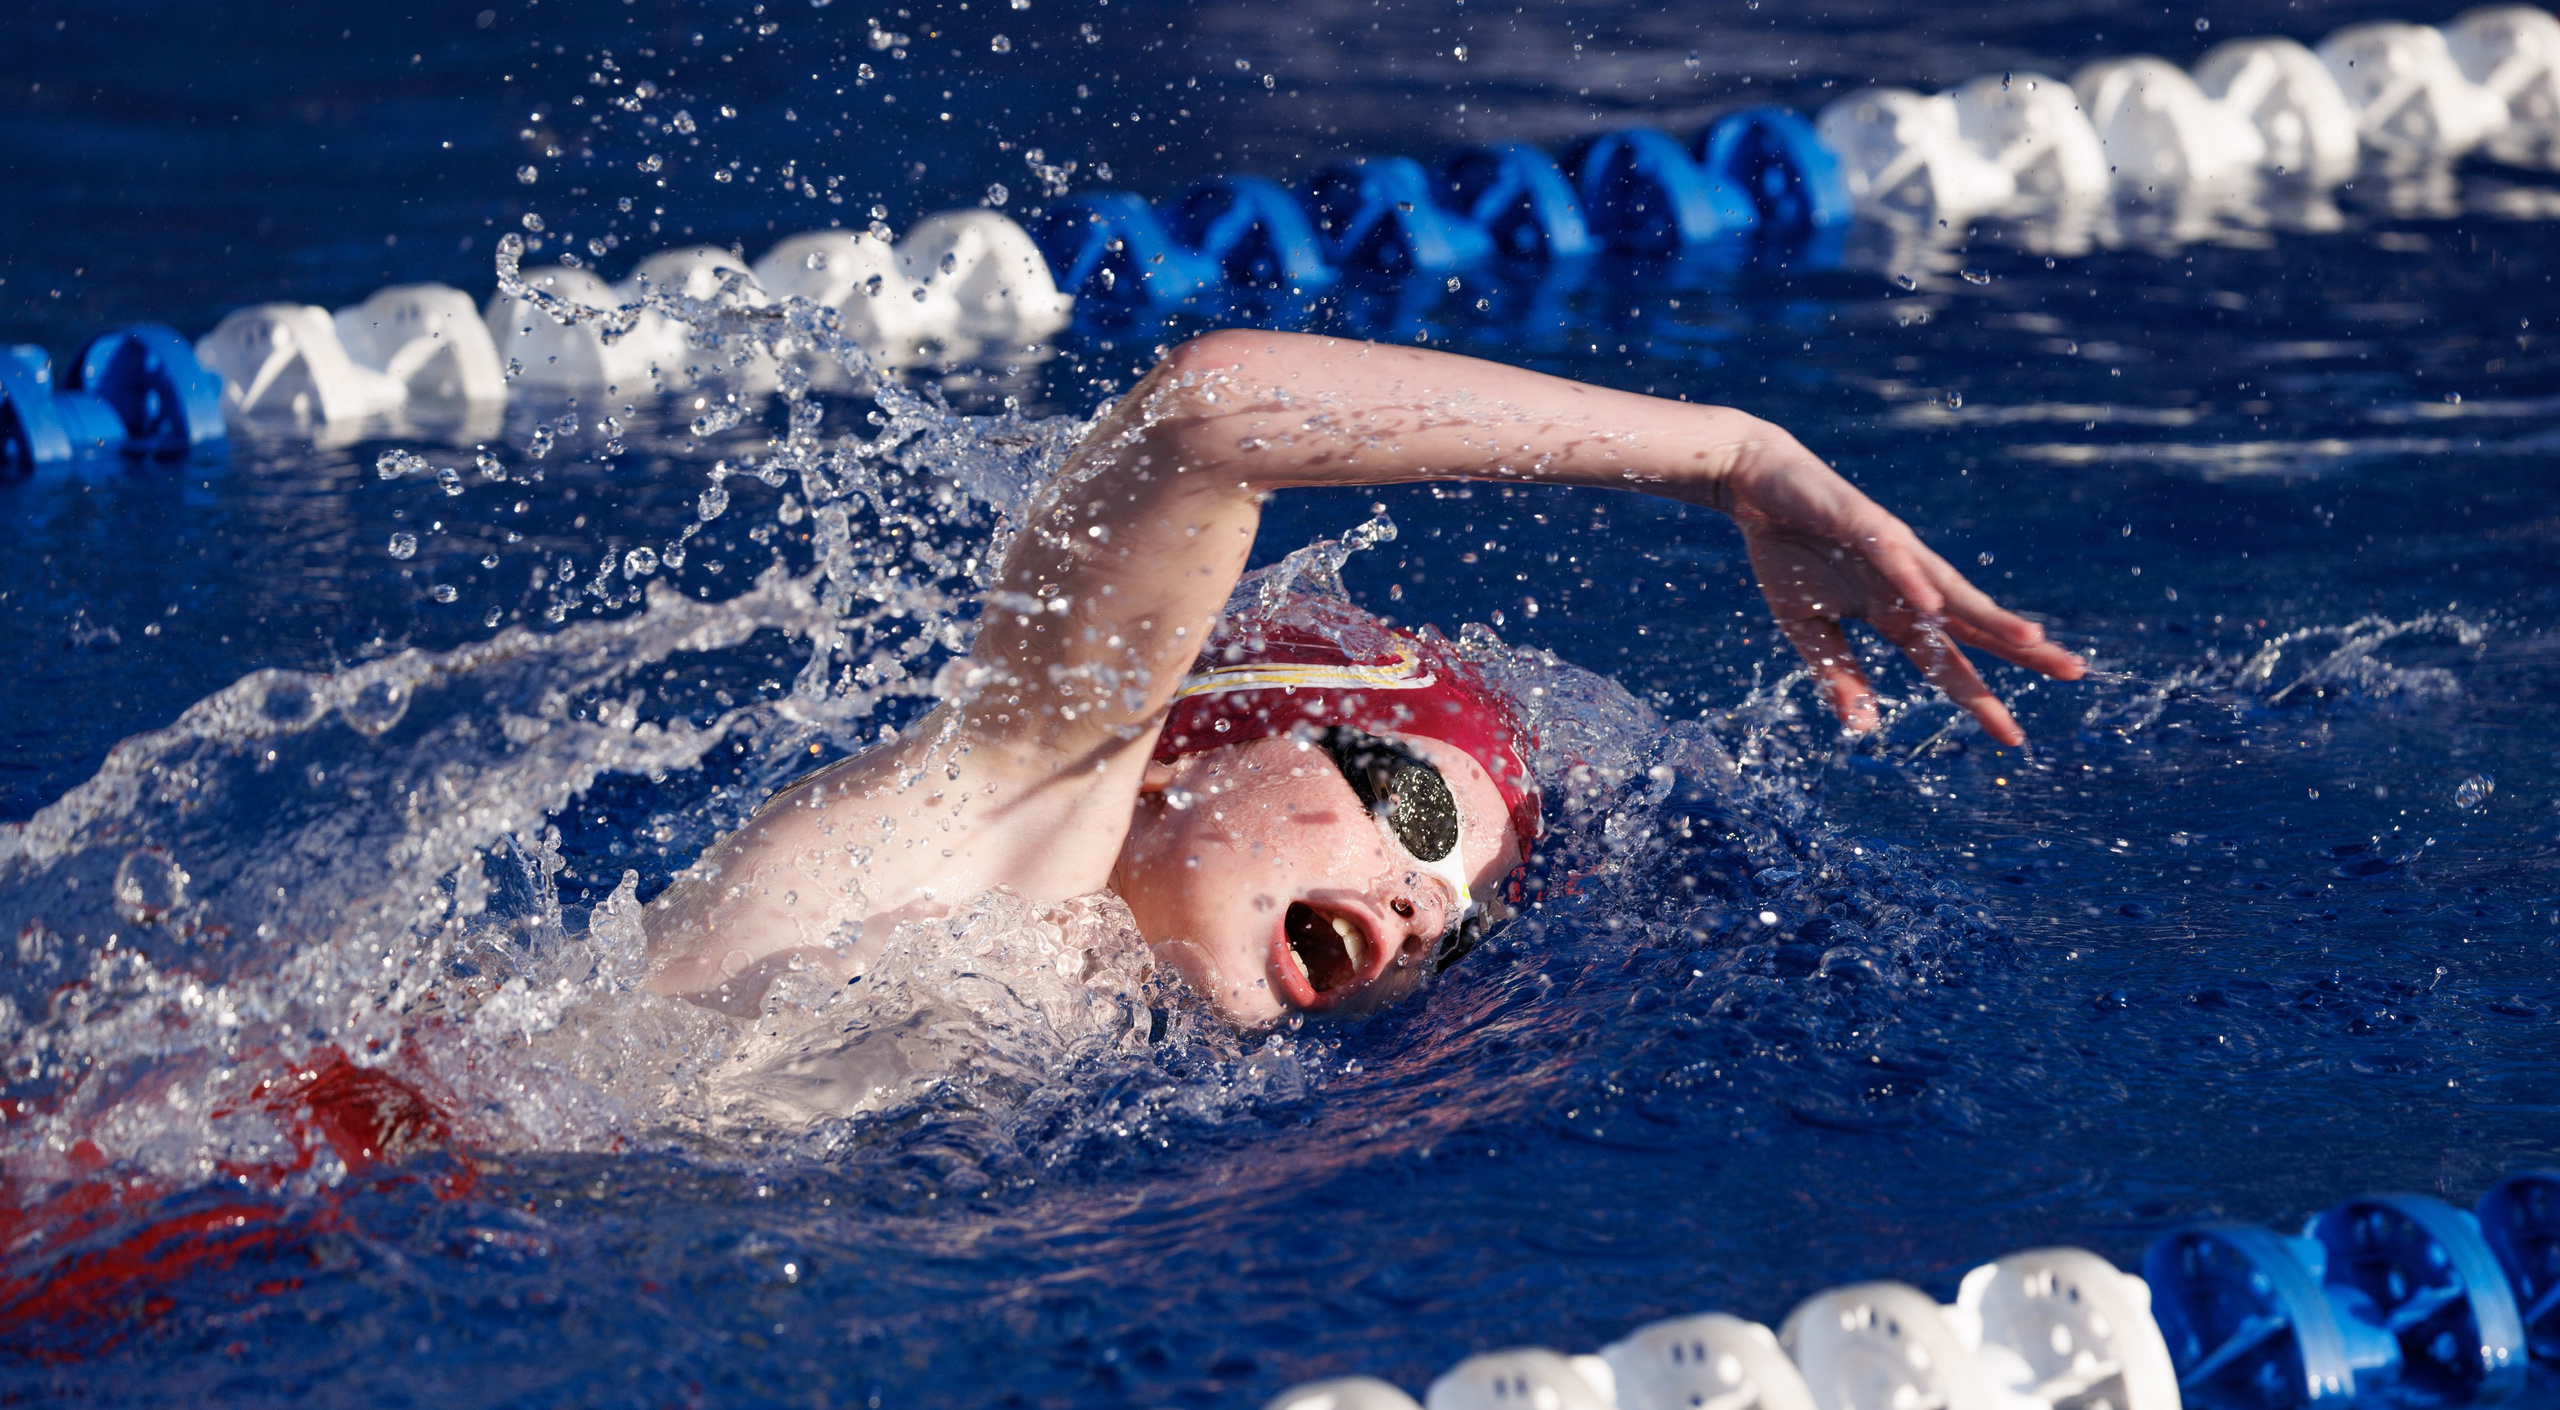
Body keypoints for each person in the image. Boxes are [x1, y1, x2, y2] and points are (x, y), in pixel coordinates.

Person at [642, 331, 2084, 1023]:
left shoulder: (1086, 1027)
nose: (1420, 902)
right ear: (1197, 749)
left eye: (1456, 921)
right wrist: (1733, 459)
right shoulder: (1006, 804)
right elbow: (1211, 418)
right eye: (1415, 808)